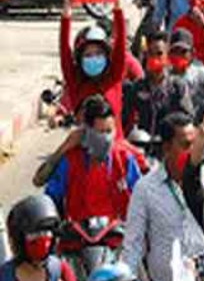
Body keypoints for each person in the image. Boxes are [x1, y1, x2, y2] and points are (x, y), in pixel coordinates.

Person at [123, 113, 204, 281]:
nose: (193, 150)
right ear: (167, 148)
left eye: (196, 143)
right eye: (186, 145)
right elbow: (133, 244)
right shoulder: (145, 189)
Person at [39, 94, 142, 222]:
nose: (106, 139)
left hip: (118, 231)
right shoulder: (70, 161)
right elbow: (50, 197)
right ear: (87, 132)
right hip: (79, 231)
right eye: (100, 132)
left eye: (109, 131)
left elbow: (143, 197)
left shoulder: (125, 159)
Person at [0, 195, 79, 281]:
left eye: (47, 233)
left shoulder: (60, 272)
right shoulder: (4, 278)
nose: (43, 240)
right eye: (34, 235)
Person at [59, 0, 128, 123]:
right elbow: (64, 50)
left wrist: (118, 6)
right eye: (88, 55)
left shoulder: (113, 79)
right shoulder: (75, 82)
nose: (93, 58)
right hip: (84, 136)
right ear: (80, 59)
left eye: (98, 53)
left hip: (115, 136)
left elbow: (120, 44)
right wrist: (67, 10)